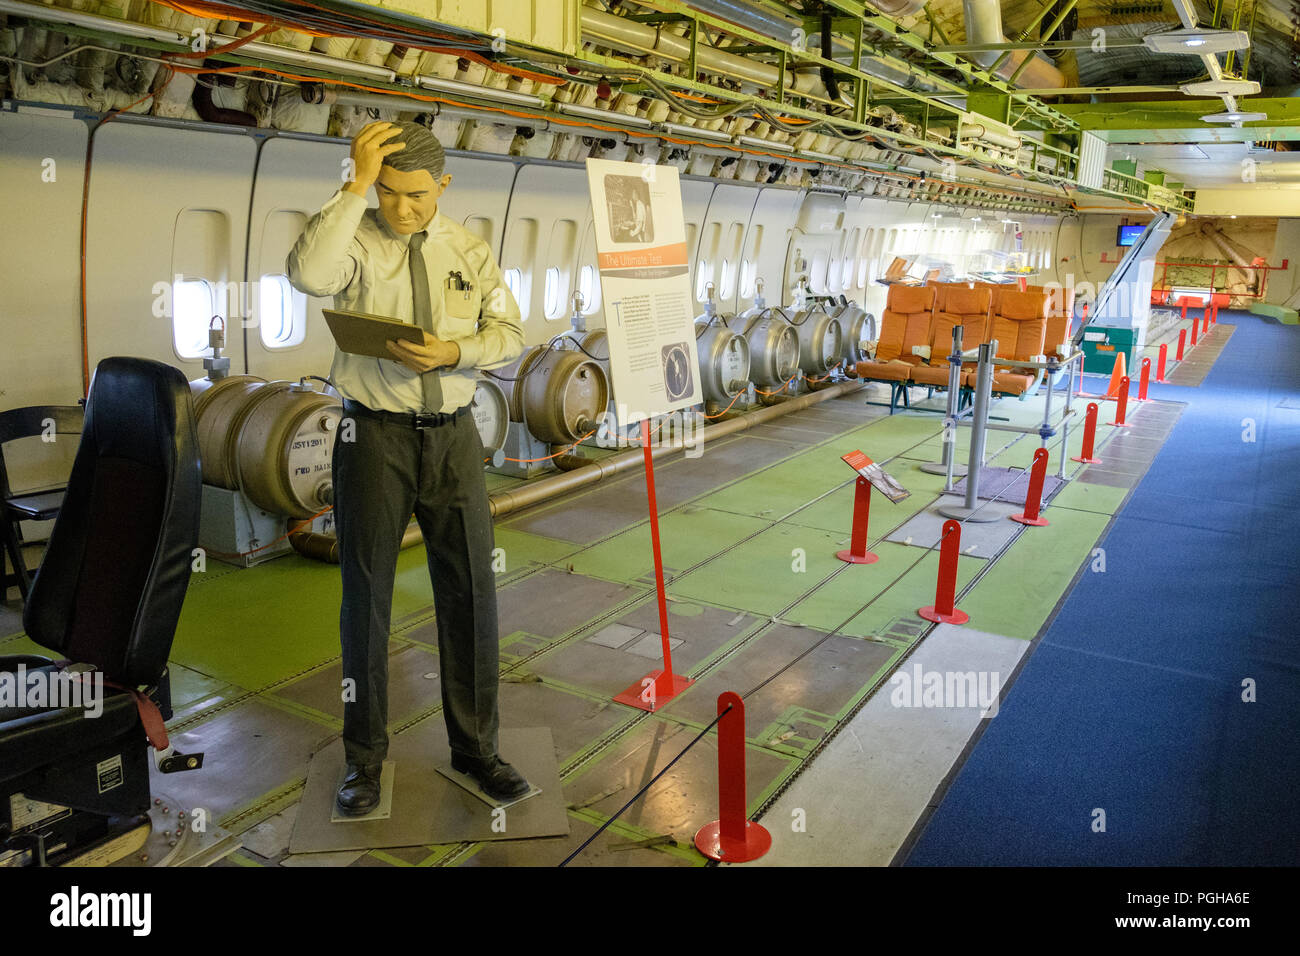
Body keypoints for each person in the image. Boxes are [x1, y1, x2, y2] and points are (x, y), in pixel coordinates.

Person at [286, 120, 527, 814]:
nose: (402, 209)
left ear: (443, 186)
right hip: (373, 438)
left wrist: (454, 354)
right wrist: (353, 184)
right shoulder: (355, 237)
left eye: (417, 195)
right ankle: (363, 762)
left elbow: (509, 332)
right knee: (365, 600)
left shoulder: (471, 251)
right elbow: (306, 275)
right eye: (389, 194)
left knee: (471, 593)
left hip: (452, 439)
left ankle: (478, 750)